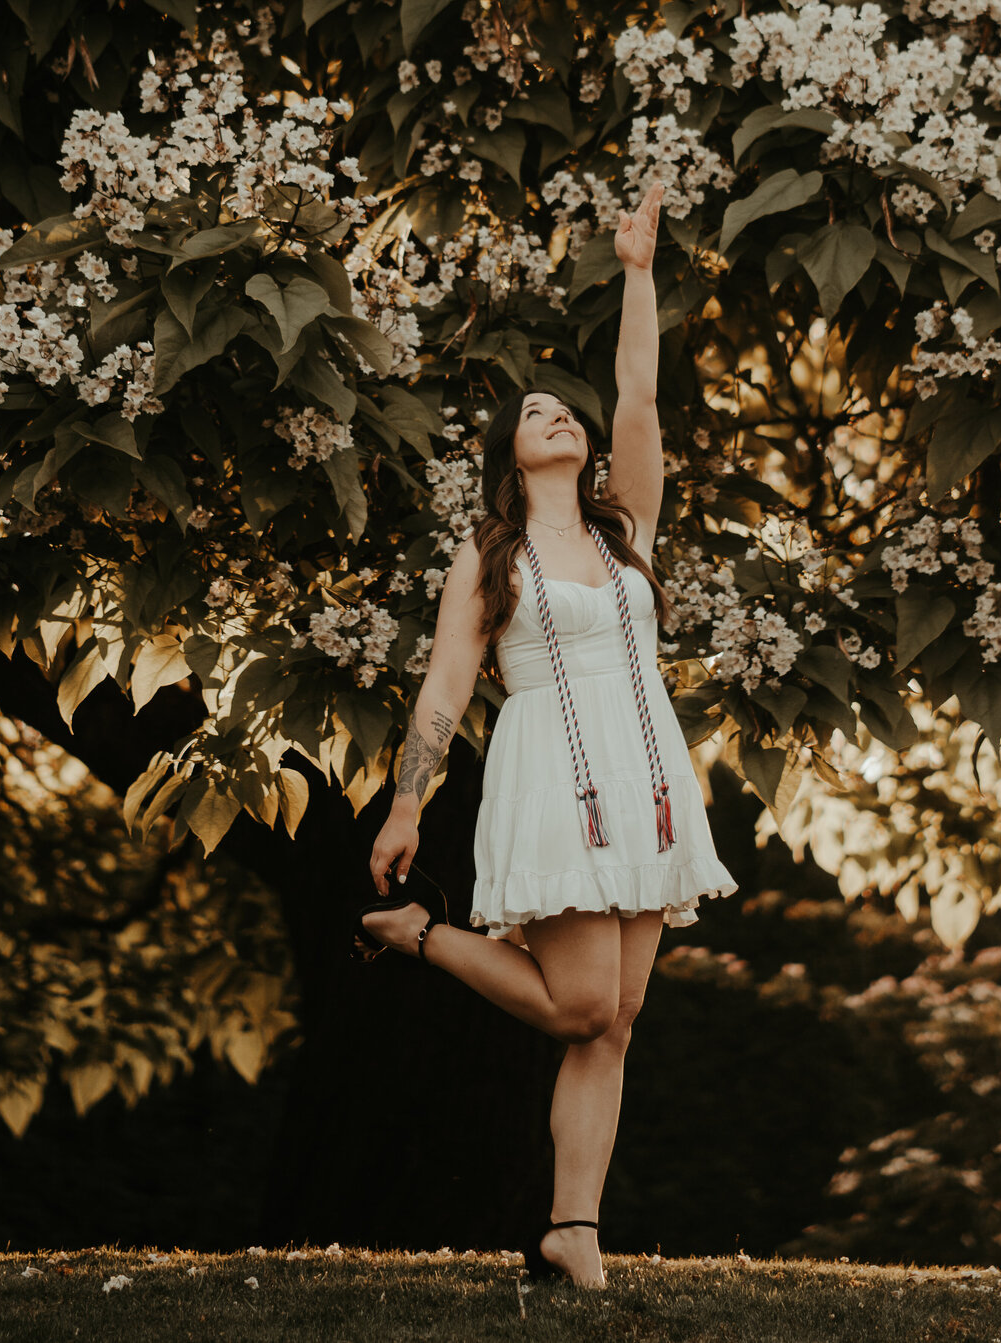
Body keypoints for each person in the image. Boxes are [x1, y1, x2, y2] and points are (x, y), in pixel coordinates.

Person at [356, 180, 738, 1289]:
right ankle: (417, 932)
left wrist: (635, 275)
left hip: (647, 769)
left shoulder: (629, 536)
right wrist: (409, 798)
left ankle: (576, 1226)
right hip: (553, 771)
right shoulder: (489, 555)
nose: (559, 417)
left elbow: (639, 397)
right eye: (533, 414)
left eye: (562, 410)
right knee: (577, 1000)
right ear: (506, 454)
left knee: (611, 1021)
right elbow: (444, 686)